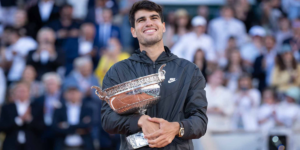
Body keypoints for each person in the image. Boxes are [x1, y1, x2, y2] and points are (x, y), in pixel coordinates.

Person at [101, 1, 208, 149]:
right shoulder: (118, 71)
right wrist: (139, 121)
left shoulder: (189, 70)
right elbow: (107, 119)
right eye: (141, 20)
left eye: (154, 18)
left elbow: (200, 121)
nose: (148, 23)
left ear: (163, 26)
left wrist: (176, 128)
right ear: (133, 31)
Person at [0, 81, 42, 150]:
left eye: (24, 91)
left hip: (31, 145)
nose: (22, 93)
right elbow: (2, 127)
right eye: (19, 91)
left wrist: (30, 120)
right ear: (14, 93)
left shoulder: (36, 107)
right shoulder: (7, 108)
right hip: (11, 145)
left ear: (29, 92)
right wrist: (19, 120)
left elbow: (41, 127)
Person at [52, 84, 94, 150]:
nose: (73, 95)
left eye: (75, 93)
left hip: (83, 146)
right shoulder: (59, 110)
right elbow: (55, 127)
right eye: (70, 93)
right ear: (65, 95)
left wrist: (66, 126)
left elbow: (88, 126)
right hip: (64, 146)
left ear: (81, 94)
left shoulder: (87, 109)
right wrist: (78, 129)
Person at [31, 72, 63, 150]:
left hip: (59, 130)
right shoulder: (39, 100)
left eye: (52, 83)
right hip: (43, 129)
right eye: (47, 84)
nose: (50, 86)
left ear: (58, 85)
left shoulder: (64, 98)